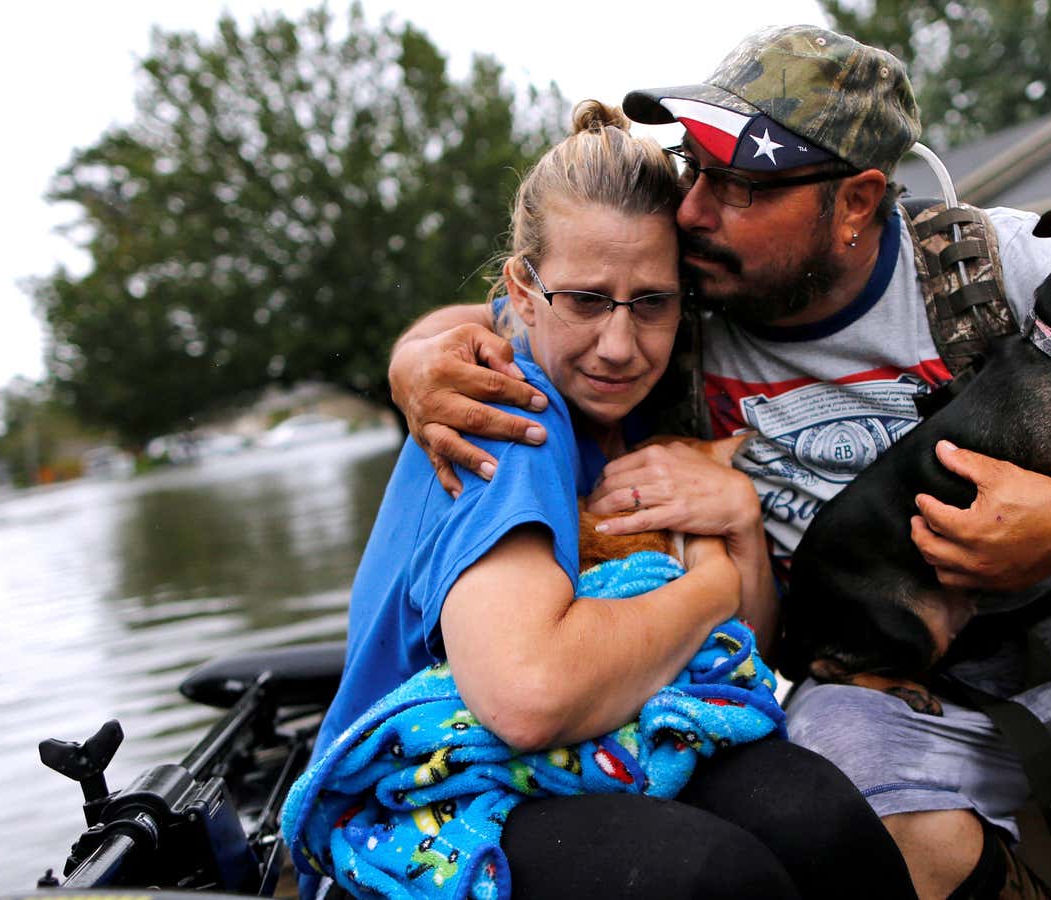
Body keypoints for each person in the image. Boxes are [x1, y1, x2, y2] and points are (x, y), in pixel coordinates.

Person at [385, 30, 1051, 900]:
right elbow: (518, 312)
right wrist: (420, 362)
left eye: (740, 184)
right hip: (881, 672)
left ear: (857, 201)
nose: (694, 208)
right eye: (693, 168)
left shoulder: (1006, 258)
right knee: (842, 808)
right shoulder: (676, 288)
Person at [306, 99, 915, 900]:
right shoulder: (499, 406)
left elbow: (747, 655)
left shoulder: (644, 406)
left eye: (652, 303)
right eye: (587, 300)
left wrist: (736, 521)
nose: (621, 346)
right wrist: (712, 585)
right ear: (523, 293)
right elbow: (527, 696)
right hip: (424, 784)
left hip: (602, 729)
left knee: (825, 823)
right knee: (713, 880)